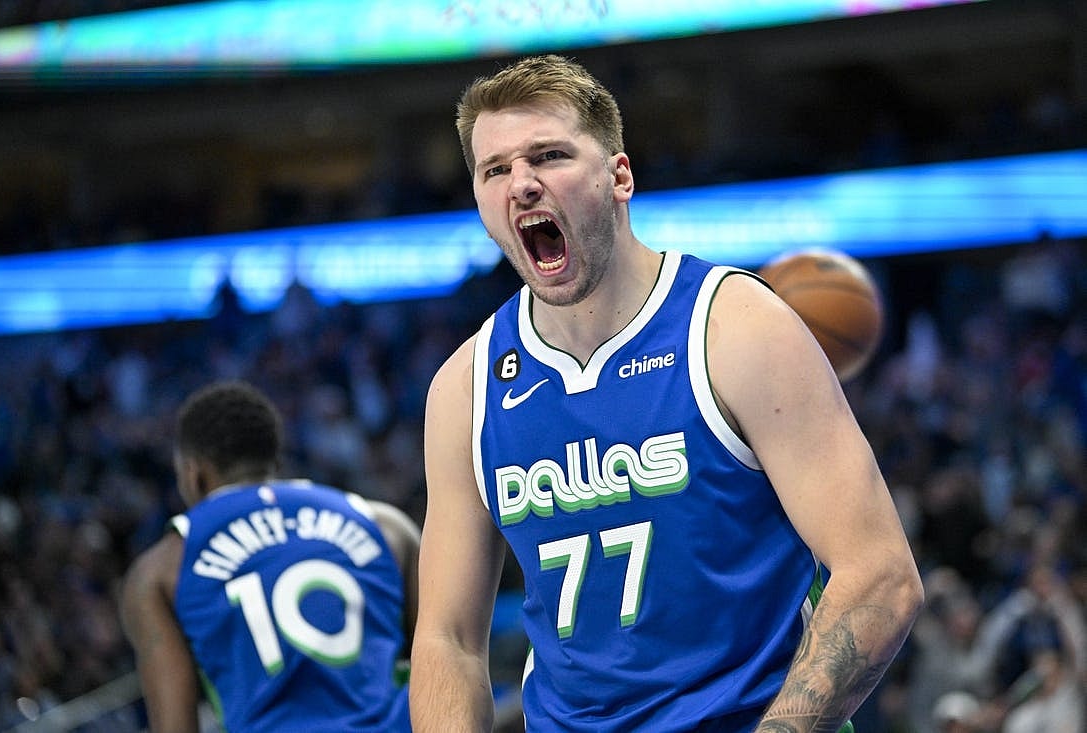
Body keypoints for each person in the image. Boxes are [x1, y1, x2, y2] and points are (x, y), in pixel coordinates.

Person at [409, 54, 924, 732]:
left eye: (549, 156)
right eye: (495, 169)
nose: (522, 185)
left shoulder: (736, 327)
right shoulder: (465, 386)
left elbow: (881, 575)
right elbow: (447, 638)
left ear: (619, 176)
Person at [120, 380, 420, 732]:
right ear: (276, 462)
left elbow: (175, 727)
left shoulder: (158, 571)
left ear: (193, 473)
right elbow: (450, 664)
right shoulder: (385, 525)